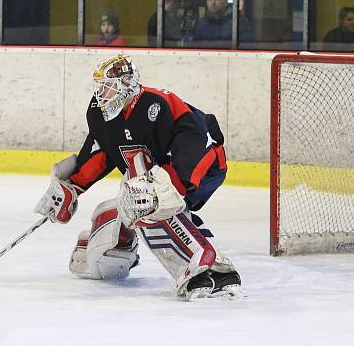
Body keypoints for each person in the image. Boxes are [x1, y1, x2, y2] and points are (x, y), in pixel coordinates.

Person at [33, 54, 242, 300]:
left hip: (204, 163)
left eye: (108, 87)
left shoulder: (158, 104)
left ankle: (212, 270)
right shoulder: (100, 112)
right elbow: (102, 150)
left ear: (128, 85)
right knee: (133, 199)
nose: (102, 94)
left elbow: (196, 142)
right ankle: (110, 251)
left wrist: (173, 185)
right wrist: (72, 186)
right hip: (157, 170)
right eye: (100, 87)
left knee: (147, 200)